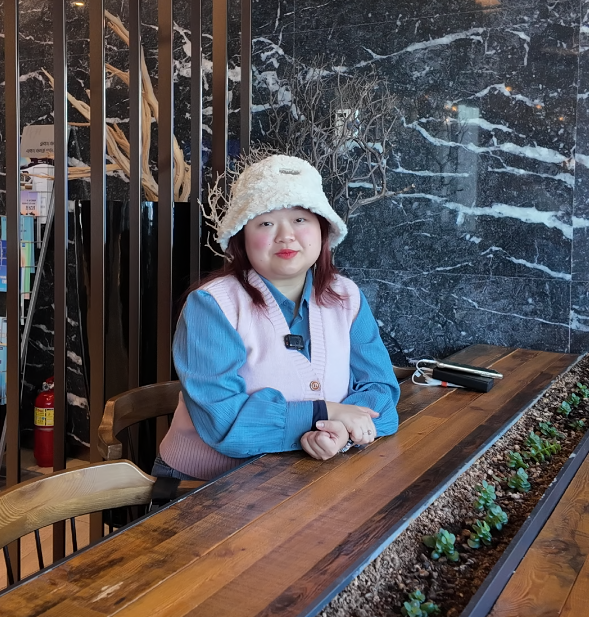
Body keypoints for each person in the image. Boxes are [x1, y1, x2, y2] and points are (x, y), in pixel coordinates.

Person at [153, 154, 400, 481]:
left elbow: (381, 390)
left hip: (306, 478)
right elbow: (224, 422)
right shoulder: (211, 306)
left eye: (300, 219)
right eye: (266, 223)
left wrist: (342, 431)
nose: (286, 235)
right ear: (242, 237)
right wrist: (326, 413)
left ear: (322, 230)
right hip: (205, 487)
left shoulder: (346, 297)